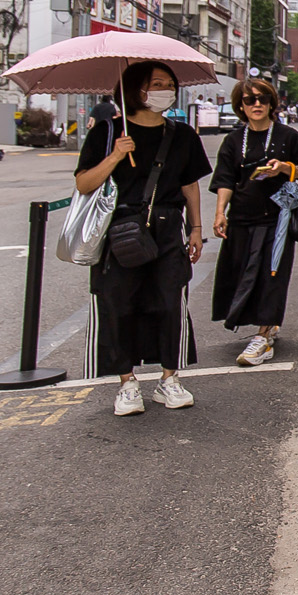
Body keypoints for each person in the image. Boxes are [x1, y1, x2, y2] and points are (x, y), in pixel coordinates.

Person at [74, 61, 212, 416]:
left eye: (170, 84)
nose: (165, 90)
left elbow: (189, 185)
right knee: (118, 303)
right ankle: (127, 383)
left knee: (170, 302)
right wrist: (116, 155)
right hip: (119, 231)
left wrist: (196, 229)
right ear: (136, 90)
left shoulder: (182, 135)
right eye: (157, 84)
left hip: (167, 228)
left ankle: (169, 379)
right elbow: (84, 183)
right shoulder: (107, 132)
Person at [210, 77, 298, 367]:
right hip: (241, 218)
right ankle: (265, 325)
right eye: (249, 100)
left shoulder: (287, 136)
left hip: (278, 219)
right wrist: (220, 213)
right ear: (240, 106)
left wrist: (284, 168)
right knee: (243, 274)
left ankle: (263, 336)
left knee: (271, 275)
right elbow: (225, 179)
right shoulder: (233, 141)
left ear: (271, 103)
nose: (256, 104)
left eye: (262, 99)